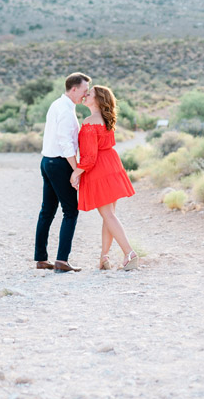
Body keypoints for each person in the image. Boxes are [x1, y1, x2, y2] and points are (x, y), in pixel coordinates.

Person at [72, 85, 138, 270]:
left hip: (99, 168)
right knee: (109, 215)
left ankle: (129, 253)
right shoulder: (104, 119)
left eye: (89, 93)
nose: (85, 95)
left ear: (98, 99)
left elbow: (90, 157)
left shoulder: (90, 121)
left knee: (107, 214)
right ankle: (104, 258)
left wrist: (76, 173)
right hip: (111, 164)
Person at [35, 72, 91, 273]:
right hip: (59, 163)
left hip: (46, 161)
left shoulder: (56, 105)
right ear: (74, 89)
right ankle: (62, 260)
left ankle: (41, 258)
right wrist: (76, 169)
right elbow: (65, 143)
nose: (85, 95)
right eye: (84, 91)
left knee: (47, 210)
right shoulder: (66, 110)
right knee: (71, 210)